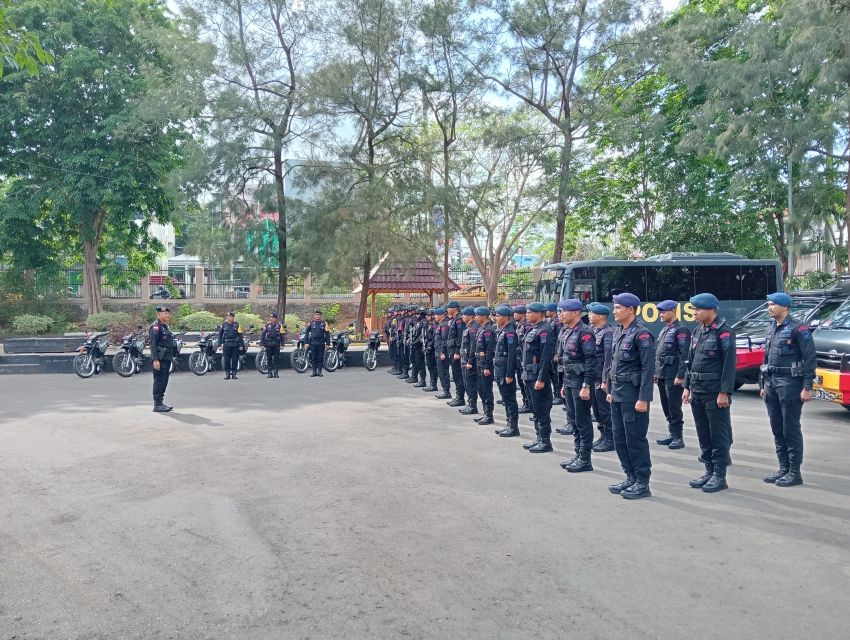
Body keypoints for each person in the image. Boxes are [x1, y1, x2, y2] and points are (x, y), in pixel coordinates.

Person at [760, 292, 817, 487]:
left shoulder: (798, 329)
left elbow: (810, 358)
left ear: (784, 307)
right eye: (768, 304)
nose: (769, 307)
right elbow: (765, 359)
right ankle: (783, 468)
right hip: (771, 383)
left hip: (790, 383)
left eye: (773, 304)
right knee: (777, 428)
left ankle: (795, 472)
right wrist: (762, 384)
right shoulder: (770, 328)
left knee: (790, 428)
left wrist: (807, 386)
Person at [682, 293, 737, 493]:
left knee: (718, 435)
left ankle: (719, 475)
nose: (694, 313)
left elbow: (729, 365)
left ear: (712, 310)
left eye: (698, 309)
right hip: (697, 390)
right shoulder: (697, 331)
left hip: (714, 393)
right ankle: (709, 470)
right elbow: (690, 361)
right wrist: (687, 387)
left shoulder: (723, 332)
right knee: (703, 434)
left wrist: (724, 392)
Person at [606, 293, 655, 500]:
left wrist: (644, 398)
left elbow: (647, 369)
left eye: (618, 307)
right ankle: (630, 476)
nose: (614, 311)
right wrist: (609, 389)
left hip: (633, 395)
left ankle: (642, 482)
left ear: (631, 310)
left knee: (635, 438)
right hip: (617, 393)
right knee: (620, 438)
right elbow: (612, 363)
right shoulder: (618, 331)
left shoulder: (642, 334)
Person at [557, 299, 597, 473]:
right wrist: (564, 384)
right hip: (569, 381)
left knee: (582, 421)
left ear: (575, 313)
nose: (561, 314)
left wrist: (587, 385)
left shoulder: (585, 332)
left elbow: (590, 361)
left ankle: (585, 459)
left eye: (564, 311)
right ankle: (578, 454)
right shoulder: (567, 331)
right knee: (573, 420)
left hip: (581, 383)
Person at [654, 300, 691, 450]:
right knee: (666, 406)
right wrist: (656, 373)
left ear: (673, 311)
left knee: (674, 407)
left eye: (663, 311)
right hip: (663, 373)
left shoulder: (681, 330)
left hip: (673, 374)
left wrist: (681, 375)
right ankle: (672, 434)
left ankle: (678, 437)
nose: (660, 314)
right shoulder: (665, 329)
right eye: (660, 312)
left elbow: (684, 355)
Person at [521, 302, 556, 453]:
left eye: (530, 312)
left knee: (541, 409)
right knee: (535, 409)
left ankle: (545, 441)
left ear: (539, 314)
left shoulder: (544, 332)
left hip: (537, 376)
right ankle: (539, 438)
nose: (527, 314)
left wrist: (541, 378)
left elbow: (546, 357)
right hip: (528, 374)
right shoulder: (533, 330)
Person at [587, 303, 614, 453]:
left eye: (592, 313)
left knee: (604, 411)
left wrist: (605, 380)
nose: (589, 315)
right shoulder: (592, 331)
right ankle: (603, 435)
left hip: (601, 379)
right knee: (596, 411)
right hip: (593, 377)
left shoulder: (607, 333)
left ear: (601, 316)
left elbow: (608, 359)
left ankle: (610, 438)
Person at [493, 305, 520, 437]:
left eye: (498, 316)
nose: (496, 318)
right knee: (505, 398)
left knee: (509, 399)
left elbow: (512, 355)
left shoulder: (510, 332)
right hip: (500, 369)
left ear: (505, 317)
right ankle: (509, 424)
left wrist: (509, 374)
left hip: (505, 371)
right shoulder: (502, 330)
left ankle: (513, 427)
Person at [474, 306, 497, 425]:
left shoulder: (488, 330)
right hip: (479, 363)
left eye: (477, 315)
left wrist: (487, 366)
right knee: (481, 389)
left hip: (485, 365)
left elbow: (489, 350)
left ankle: (489, 415)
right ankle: (485, 413)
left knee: (487, 390)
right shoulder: (481, 328)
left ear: (484, 316)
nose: (476, 317)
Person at [149, 305, 174, 412]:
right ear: (158, 314)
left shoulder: (164, 326)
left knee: (164, 381)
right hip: (160, 359)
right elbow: (153, 344)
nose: (168, 315)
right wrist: (155, 360)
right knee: (159, 381)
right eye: (165, 313)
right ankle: (157, 405)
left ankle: (160, 403)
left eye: (168, 313)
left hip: (166, 358)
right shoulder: (156, 327)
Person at [459, 307, 480, 416]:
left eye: (464, 314)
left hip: (469, 361)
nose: (462, 316)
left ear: (471, 316)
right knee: (467, 384)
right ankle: (470, 404)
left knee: (471, 385)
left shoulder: (473, 328)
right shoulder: (468, 327)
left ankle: (472, 406)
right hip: (464, 359)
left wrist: (470, 362)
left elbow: (473, 347)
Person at [513, 305, 533, 415]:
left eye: (518, 312)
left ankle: (528, 404)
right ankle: (526, 402)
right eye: (515, 312)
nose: (515, 314)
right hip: (518, 356)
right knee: (521, 382)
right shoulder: (518, 325)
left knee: (525, 382)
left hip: (524, 357)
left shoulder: (527, 326)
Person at [446, 300, 466, 407]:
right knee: (455, 374)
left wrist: (458, 351)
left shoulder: (459, 320)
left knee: (458, 376)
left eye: (449, 307)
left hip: (456, 352)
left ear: (455, 308)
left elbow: (460, 337)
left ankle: (460, 398)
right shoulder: (454, 319)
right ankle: (458, 397)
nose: (448, 309)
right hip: (452, 350)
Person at [546, 302, 564, 406]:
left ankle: (558, 395)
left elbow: (558, 339)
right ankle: (556, 394)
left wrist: (557, 353)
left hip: (555, 351)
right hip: (551, 351)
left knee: (555, 375)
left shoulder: (557, 323)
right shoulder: (550, 321)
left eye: (548, 310)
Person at [218, 311, 245, 380]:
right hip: (226, 345)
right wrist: (220, 345)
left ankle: (234, 374)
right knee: (226, 360)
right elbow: (220, 335)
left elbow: (240, 335)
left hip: (235, 345)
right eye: (228, 317)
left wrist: (241, 345)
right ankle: (227, 374)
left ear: (233, 317)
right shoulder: (224, 325)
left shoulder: (237, 325)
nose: (229, 318)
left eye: (231, 317)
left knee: (235, 360)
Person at [433, 307, 452, 399]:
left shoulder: (444, 325)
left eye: (436, 315)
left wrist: (442, 352)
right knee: (441, 372)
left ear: (441, 315)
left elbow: (444, 340)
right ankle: (445, 390)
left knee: (443, 372)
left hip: (441, 353)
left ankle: (446, 391)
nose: (434, 316)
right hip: (438, 352)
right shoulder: (440, 324)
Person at [306, 309, 330, 377]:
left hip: (321, 343)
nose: (317, 316)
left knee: (320, 358)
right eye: (316, 315)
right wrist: (306, 342)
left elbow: (327, 334)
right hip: (313, 343)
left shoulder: (324, 323)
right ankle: (314, 372)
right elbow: (307, 333)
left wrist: (328, 343)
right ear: (314, 316)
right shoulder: (311, 323)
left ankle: (319, 371)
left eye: (319, 315)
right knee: (313, 357)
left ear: (321, 316)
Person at [261, 312, 284, 378]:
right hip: (268, 344)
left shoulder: (279, 326)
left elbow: (282, 336)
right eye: (271, 317)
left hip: (276, 345)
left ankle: (276, 372)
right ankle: (269, 372)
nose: (272, 319)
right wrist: (262, 344)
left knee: (276, 359)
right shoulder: (267, 326)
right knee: (269, 359)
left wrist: (282, 344)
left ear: (276, 319)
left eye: (274, 318)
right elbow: (263, 335)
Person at [408, 308, 428, 387]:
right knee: (414, 362)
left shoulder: (424, 323)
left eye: (418, 314)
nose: (416, 315)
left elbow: (422, 336)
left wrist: (414, 342)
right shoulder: (419, 323)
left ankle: (422, 381)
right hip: (414, 346)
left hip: (419, 346)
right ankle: (414, 377)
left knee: (420, 363)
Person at [423, 308, 439, 392]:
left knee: (433, 368)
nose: (427, 317)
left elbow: (434, 338)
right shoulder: (429, 324)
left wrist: (430, 346)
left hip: (432, 349)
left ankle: (433, 385)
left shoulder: (435, 325)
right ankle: (431, 384)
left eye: (429, 315)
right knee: (430, 367)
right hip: (428, 348)